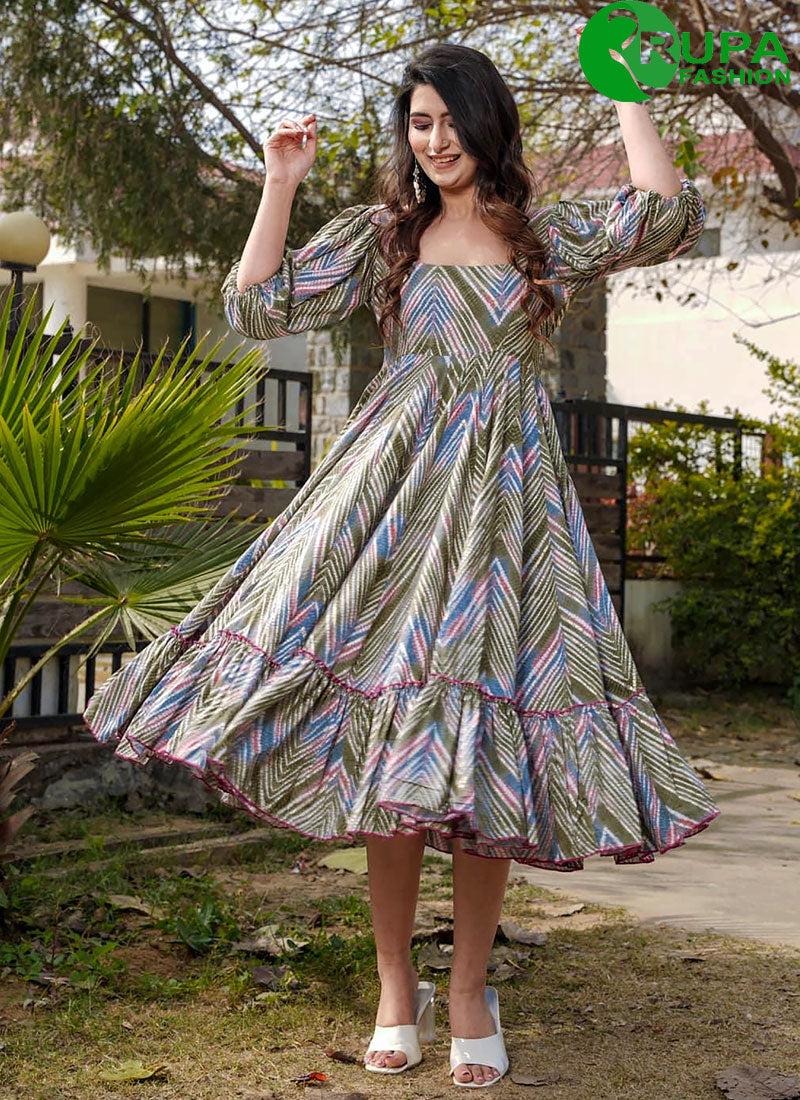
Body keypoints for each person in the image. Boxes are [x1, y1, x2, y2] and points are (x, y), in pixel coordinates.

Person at [84, 36, 722, 1090]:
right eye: (418, 123)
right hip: (390, 516)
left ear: (489, 123)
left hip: (508, 522)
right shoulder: (385, 237)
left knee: (486, 757)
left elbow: (663, 213)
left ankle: (467, 987)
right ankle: (394, 987)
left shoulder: (540, 235)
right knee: (393, 759)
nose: (435, 140)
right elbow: (257, 307)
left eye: (451, 120)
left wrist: (626, 95)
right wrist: (280, 184)